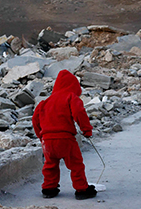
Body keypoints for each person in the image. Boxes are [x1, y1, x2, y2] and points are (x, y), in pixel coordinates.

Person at [32, 70, 97, 200]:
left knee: (50, 165)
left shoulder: (45, 102)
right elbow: (79, 112)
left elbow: (35, 119)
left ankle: (49, 189)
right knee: (75, 164)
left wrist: (41, 136)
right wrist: (86, 130)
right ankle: (82, 189)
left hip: (47, 141)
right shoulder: (70, 97)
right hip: (65, 139)